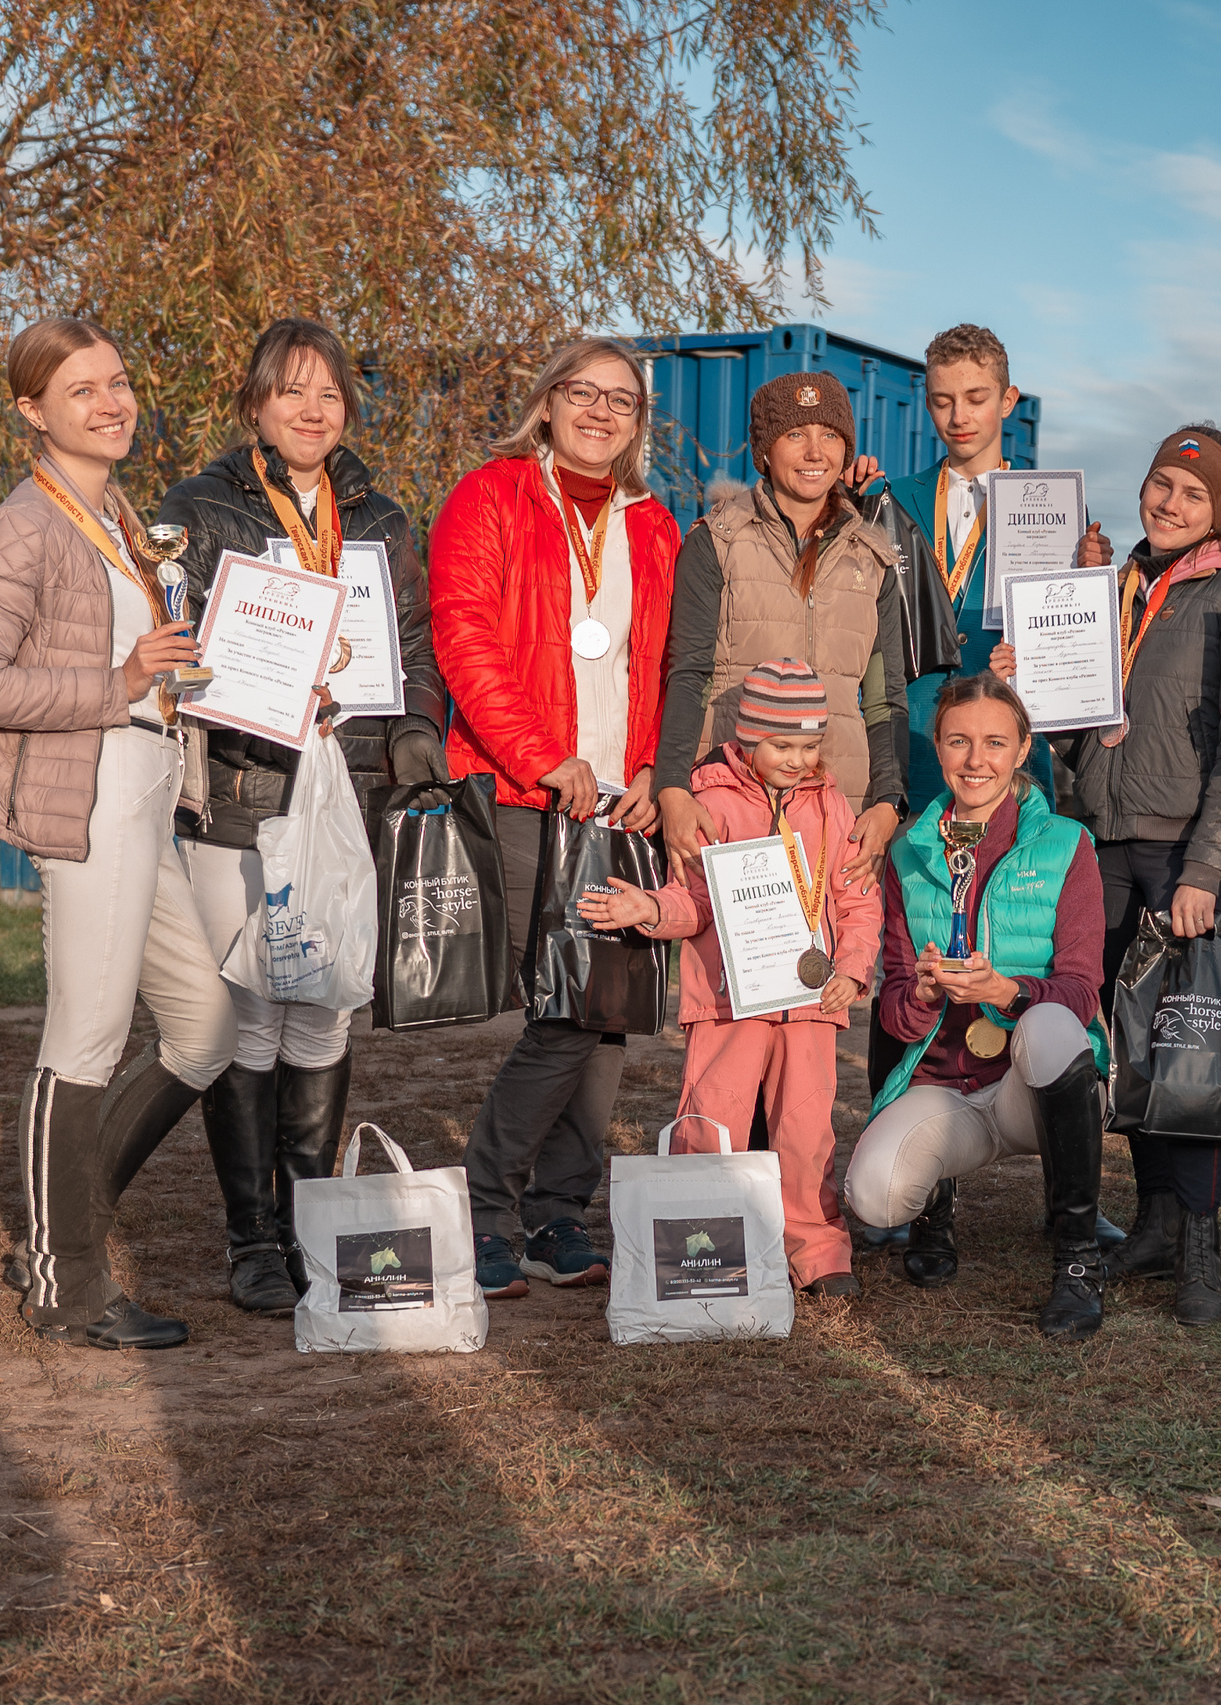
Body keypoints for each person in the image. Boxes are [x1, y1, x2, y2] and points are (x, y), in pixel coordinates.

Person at [0, 316, 235, 1351]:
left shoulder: (119, 515)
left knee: (206, 1029)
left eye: (118, 382)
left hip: (150, 801)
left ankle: (62, 1230)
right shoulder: (22, 528)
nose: (112, 403)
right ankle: (67, 1284)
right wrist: (117, 683)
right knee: (86, 1040)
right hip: (91, 801)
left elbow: (155, 662)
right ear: (31, 410)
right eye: (82, 391)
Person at [152, 318, 447, 1314]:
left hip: (344, 789)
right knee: (248, 1005)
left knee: (322, 998)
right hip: (239, 787)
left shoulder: (385, 520)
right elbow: (174, 647)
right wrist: (240, 682)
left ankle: (309, 1218)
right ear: (255, 406)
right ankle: (251, 1235)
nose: (311, 411)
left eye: (328, 394)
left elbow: (412, 650)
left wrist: (414, 737)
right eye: (290, 392)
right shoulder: (196, 511)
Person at [992, 423, 1221, 1325]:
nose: (1170, 503)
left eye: (1194, 494)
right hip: (1094, 841)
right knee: (1117, 1037)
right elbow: (1077, 724)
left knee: (1188, 1040)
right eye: (1162, 484)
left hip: (1177, 851)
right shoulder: (1107, 589)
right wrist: (1022, 679)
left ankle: (1199, 1241)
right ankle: (1147, 1221)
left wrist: (1206, 867)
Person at [425, 336, 680, 1299]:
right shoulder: (489, 496)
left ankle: (559, 1217)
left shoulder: (656, 525)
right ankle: (491, 1207)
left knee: (607, 1014)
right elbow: (464, 635)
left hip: (623, 801)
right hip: (528, 793)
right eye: (585, 393)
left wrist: (654, 765)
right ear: (546, 404)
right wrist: (542, 757)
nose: (603, 412)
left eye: (624, 400)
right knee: (562, 1016)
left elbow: (665, 666)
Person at [855, 324, 1115, 1247]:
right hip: (917, 752)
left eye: (976, 397)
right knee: (912, 963)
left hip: (1007, 765)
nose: (958, 416)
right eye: (941, 400)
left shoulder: (1048, 509)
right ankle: (926, 1206)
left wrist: (1083, 598)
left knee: (1021, 957)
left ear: (1010, 401)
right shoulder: (889, 500)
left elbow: (1080, 653)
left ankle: (1072, 1210)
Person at [582, 660, 881, 1299]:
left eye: (809, 746)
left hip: (810, 1003)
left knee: (806, 1131)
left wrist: (854, 970)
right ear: (747, 738)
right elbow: (693, 900)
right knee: (711, 1120)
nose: (798, 760)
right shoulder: (707, 801)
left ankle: (817, 1247)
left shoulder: (830, 804)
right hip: (725, 1002)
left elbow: (856, 898)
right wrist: (649, 910)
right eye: (783, 745)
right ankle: (704, 1246)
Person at [844, 673, 1113, 1340]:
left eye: (995, 741)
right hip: (948, 1090)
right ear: (936, 746)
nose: (976, 759)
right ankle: (935, 1203)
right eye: (959, 741)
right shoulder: (908, 849)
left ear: (1023, 748)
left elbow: (1081, 989)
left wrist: (1008, 992)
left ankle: (1077, 1258)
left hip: (1033, 1084)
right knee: (872, 1197)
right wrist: (926, 991)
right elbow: (898, 1009)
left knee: (1051, 1023)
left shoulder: (1068, 844)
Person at [654, 371, 908, 883]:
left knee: (840, 959)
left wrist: (887, 802)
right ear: (764, 450)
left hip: (840, 808)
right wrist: (673, 787)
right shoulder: (716, 543)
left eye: (830, 435)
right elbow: (688, 674)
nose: (815, 452)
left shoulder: (875, 558)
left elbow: (886, 700)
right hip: (730, 800)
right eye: (796, 434)